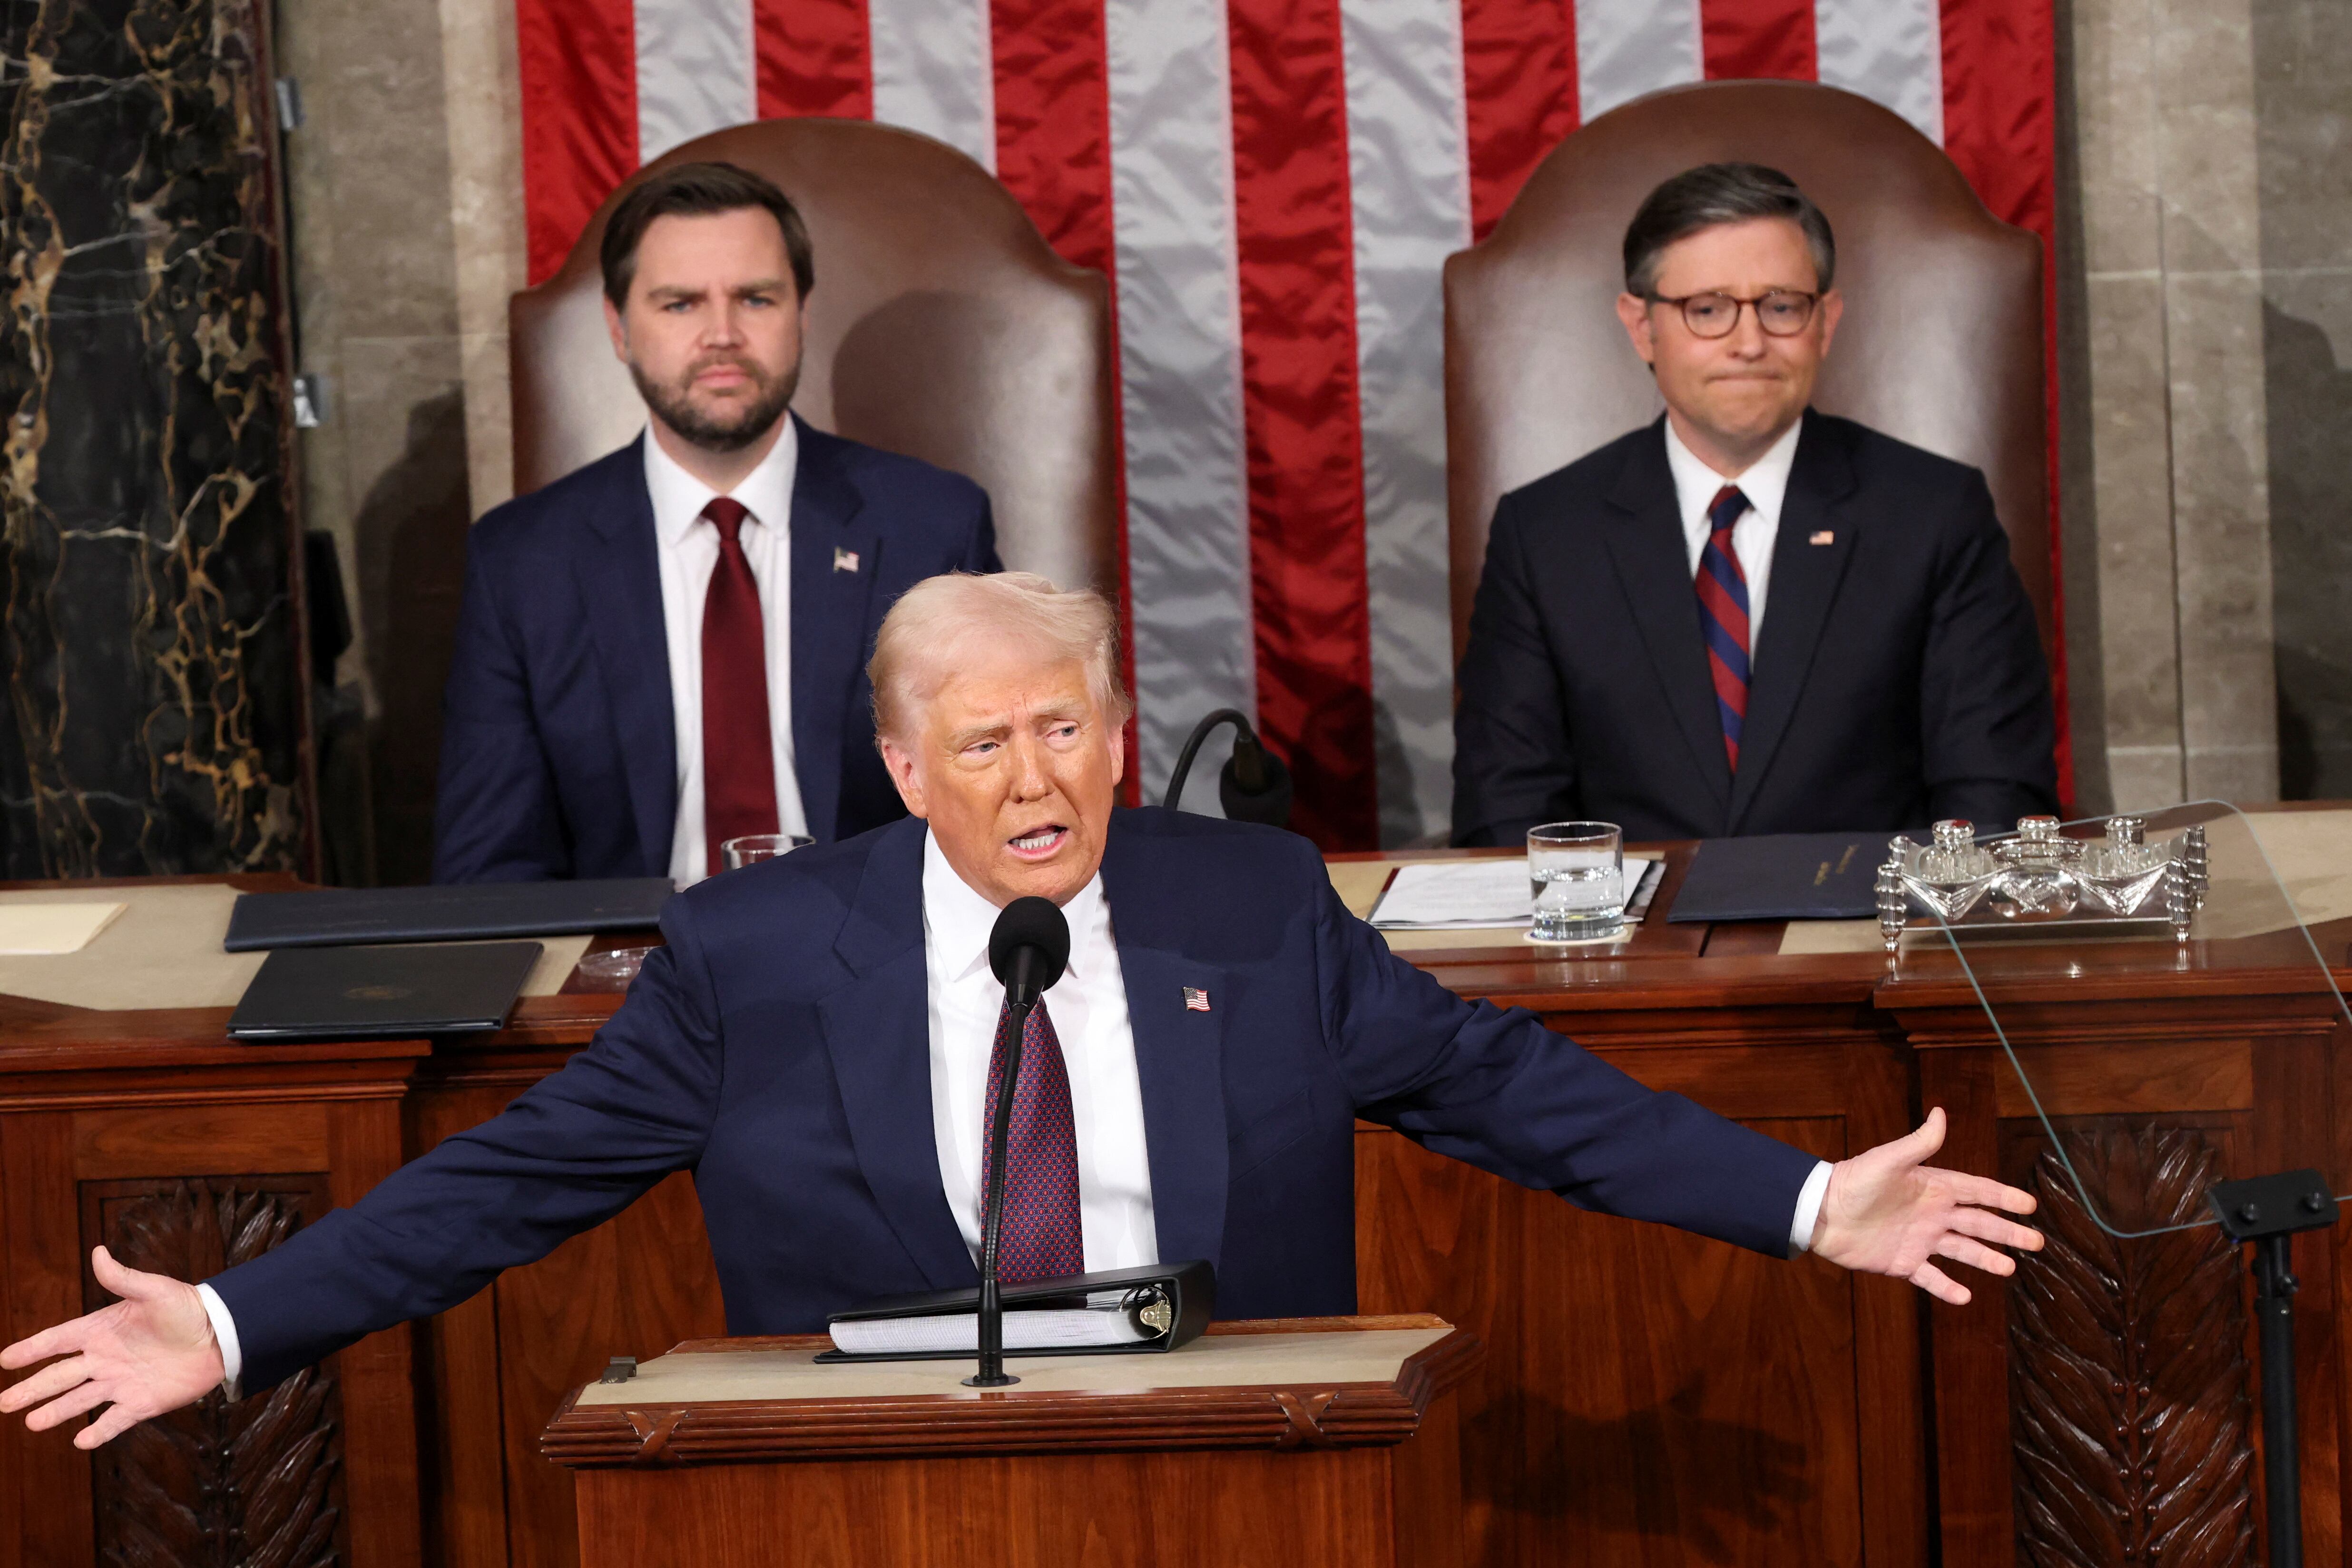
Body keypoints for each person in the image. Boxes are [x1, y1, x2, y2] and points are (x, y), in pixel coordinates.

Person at [1, 573, 2039, 1447]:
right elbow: (514, 1183)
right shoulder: (760, 952)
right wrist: (238, 1315)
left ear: (1119, 730)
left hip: (1249, 1451)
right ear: (905, 768)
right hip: (881, 1483)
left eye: (1070, 725)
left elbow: (1514, 1088)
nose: (1041, 778)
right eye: (987, 741)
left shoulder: (1241, 894)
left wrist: (1801, 1204)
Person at [1451, 162, 2058, 848]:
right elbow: (1504, 820)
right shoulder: (1546, 535)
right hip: (1626, 944)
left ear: (1825, 322)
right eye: (1707, 309)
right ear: (1642, 326)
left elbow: (1994, 804)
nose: (1748, 343)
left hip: (1871, 937)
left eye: (1781, 306)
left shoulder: (1934, 514)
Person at [432, 160, 1000, 884]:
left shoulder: (934, 528)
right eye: (680, 305)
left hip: (879, 958)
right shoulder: (521, 563)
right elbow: (489, 874)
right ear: (618, 327)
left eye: (756, 299)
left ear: (801, 314)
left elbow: (994, 812)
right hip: (630, 972)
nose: (722, 334)